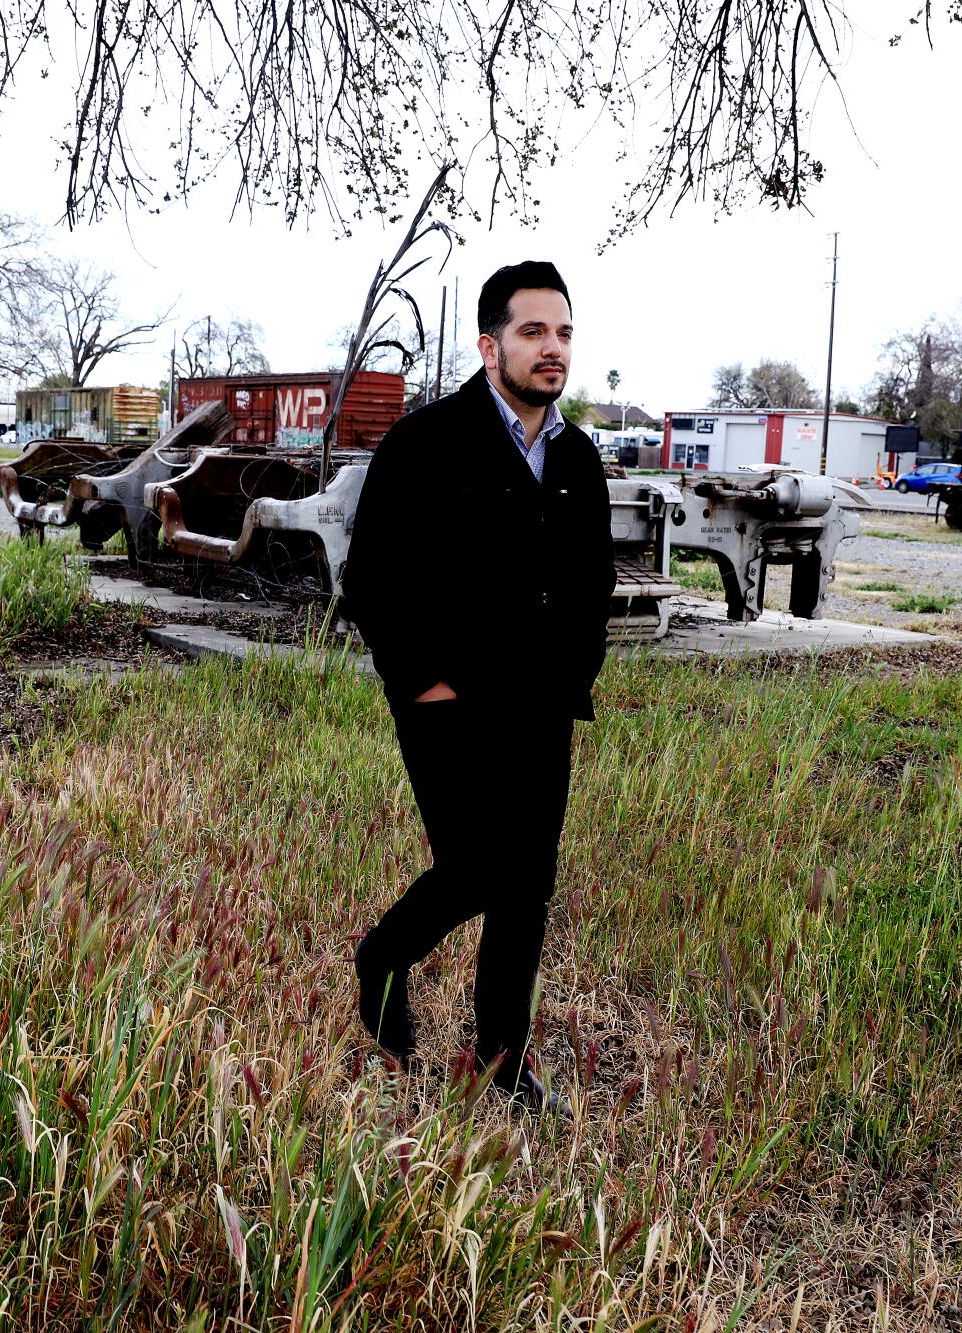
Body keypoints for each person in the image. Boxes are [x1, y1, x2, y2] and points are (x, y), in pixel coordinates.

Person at [341, 260, 616, 1115]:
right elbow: (372, 578)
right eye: (534, 332)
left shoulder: (577, 456)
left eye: (564, 332)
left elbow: (593, 580)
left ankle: (503, 1059)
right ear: (490, 343)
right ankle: (382, 956)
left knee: (527, 885)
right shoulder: (426, 442)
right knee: (473, 869)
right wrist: (423, 684)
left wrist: (576, 669)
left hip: (541, 704)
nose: (553, 349)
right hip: (449, 705)